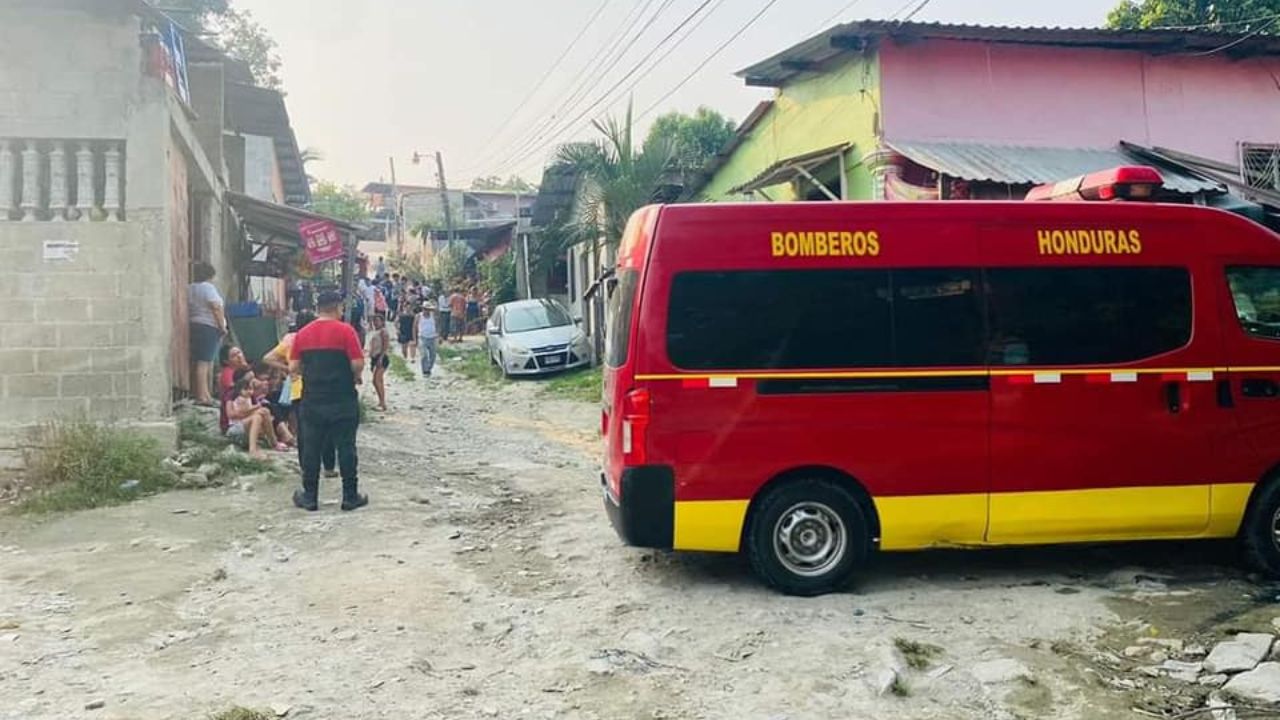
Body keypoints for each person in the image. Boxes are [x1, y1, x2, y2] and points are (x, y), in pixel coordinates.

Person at [290, 290, 367, 512]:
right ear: (337, 307)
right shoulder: (346, 331)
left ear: (318, 309)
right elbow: (357, 364)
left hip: (313, 399)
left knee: (311, 448)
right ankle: (350, 496)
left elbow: (293, 368)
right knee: (346, 447)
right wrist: (355, 376)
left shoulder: (302, 334)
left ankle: (310, 497)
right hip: (342, 399)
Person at [264, 312, 337, 477]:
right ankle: (329, 466)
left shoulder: (290, 339)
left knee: (304, 430)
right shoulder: (319, 338)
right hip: (321, 387)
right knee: (326, 427)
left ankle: (306, 468)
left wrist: (288, 369)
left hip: (298, 389)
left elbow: (267, 358)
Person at [188, 261, 227, 405]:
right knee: (204, 362)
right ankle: (202, 396)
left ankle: (204, 394)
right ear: (209, 275)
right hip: (208, 326)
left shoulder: (189, 288)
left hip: (194, 324)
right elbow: (215, 306)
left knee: (199, 360)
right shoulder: (208, 288)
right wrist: (221, 326)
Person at [225, 377, 285, 459]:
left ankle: (274, 442)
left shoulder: (250, 398)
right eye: (246, 389)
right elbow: (236, 413)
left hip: (246, 428)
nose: (249, 392)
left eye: (250, 389)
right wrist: (255, 408)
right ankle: (252, 450)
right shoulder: (238, 398)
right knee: (257, 417)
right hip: (235, 428)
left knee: (264, 411)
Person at [367, 314, 391, 411]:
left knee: (378, 380)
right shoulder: (376, 331)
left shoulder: (383, 332)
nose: (375, 323)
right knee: (375, 381)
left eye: (377, 321)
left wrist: (381, 358)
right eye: (374, 321)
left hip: (381, 358)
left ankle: (383, 402)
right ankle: (381, 401)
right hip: (375, 357)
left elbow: (385, 346)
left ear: (382, 321)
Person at [415, 304, 438, 377]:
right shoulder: (419, 316)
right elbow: (414, 327)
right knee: (424, 355)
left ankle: (428, 368)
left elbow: (438, 324)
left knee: (433, 355)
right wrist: (414, 339)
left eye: (428, 309)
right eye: (425, 309)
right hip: (422, 337)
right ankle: (425, 370)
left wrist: (439, 335)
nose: (426, 310)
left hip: (432, 337)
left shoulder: (433, 316)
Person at [397, 289, 417, 360]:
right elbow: (396, 323)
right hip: (403, 332)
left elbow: (416, 324)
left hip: (411, 331)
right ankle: (405, 357)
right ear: (404, 307)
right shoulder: (401, 315)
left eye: (409, 306)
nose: (408, 307)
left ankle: (412, 358)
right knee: (404, 348)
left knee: (412, 345)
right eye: (406, 306)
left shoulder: (413, 315)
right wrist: (398, 330)